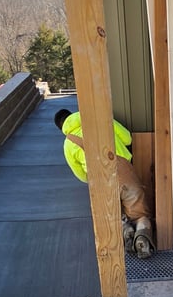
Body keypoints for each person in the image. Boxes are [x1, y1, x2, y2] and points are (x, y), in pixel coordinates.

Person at [54, 108, 155, 259]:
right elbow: (128, 139)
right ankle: (141, 237)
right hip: (124, 171)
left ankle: (125, 230)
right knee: (139, 212)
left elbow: (80, 175)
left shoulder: (68, 144)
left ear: (62, 128)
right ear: (74, 114)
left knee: (113, 214)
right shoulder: (102, 120)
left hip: (99, 179)